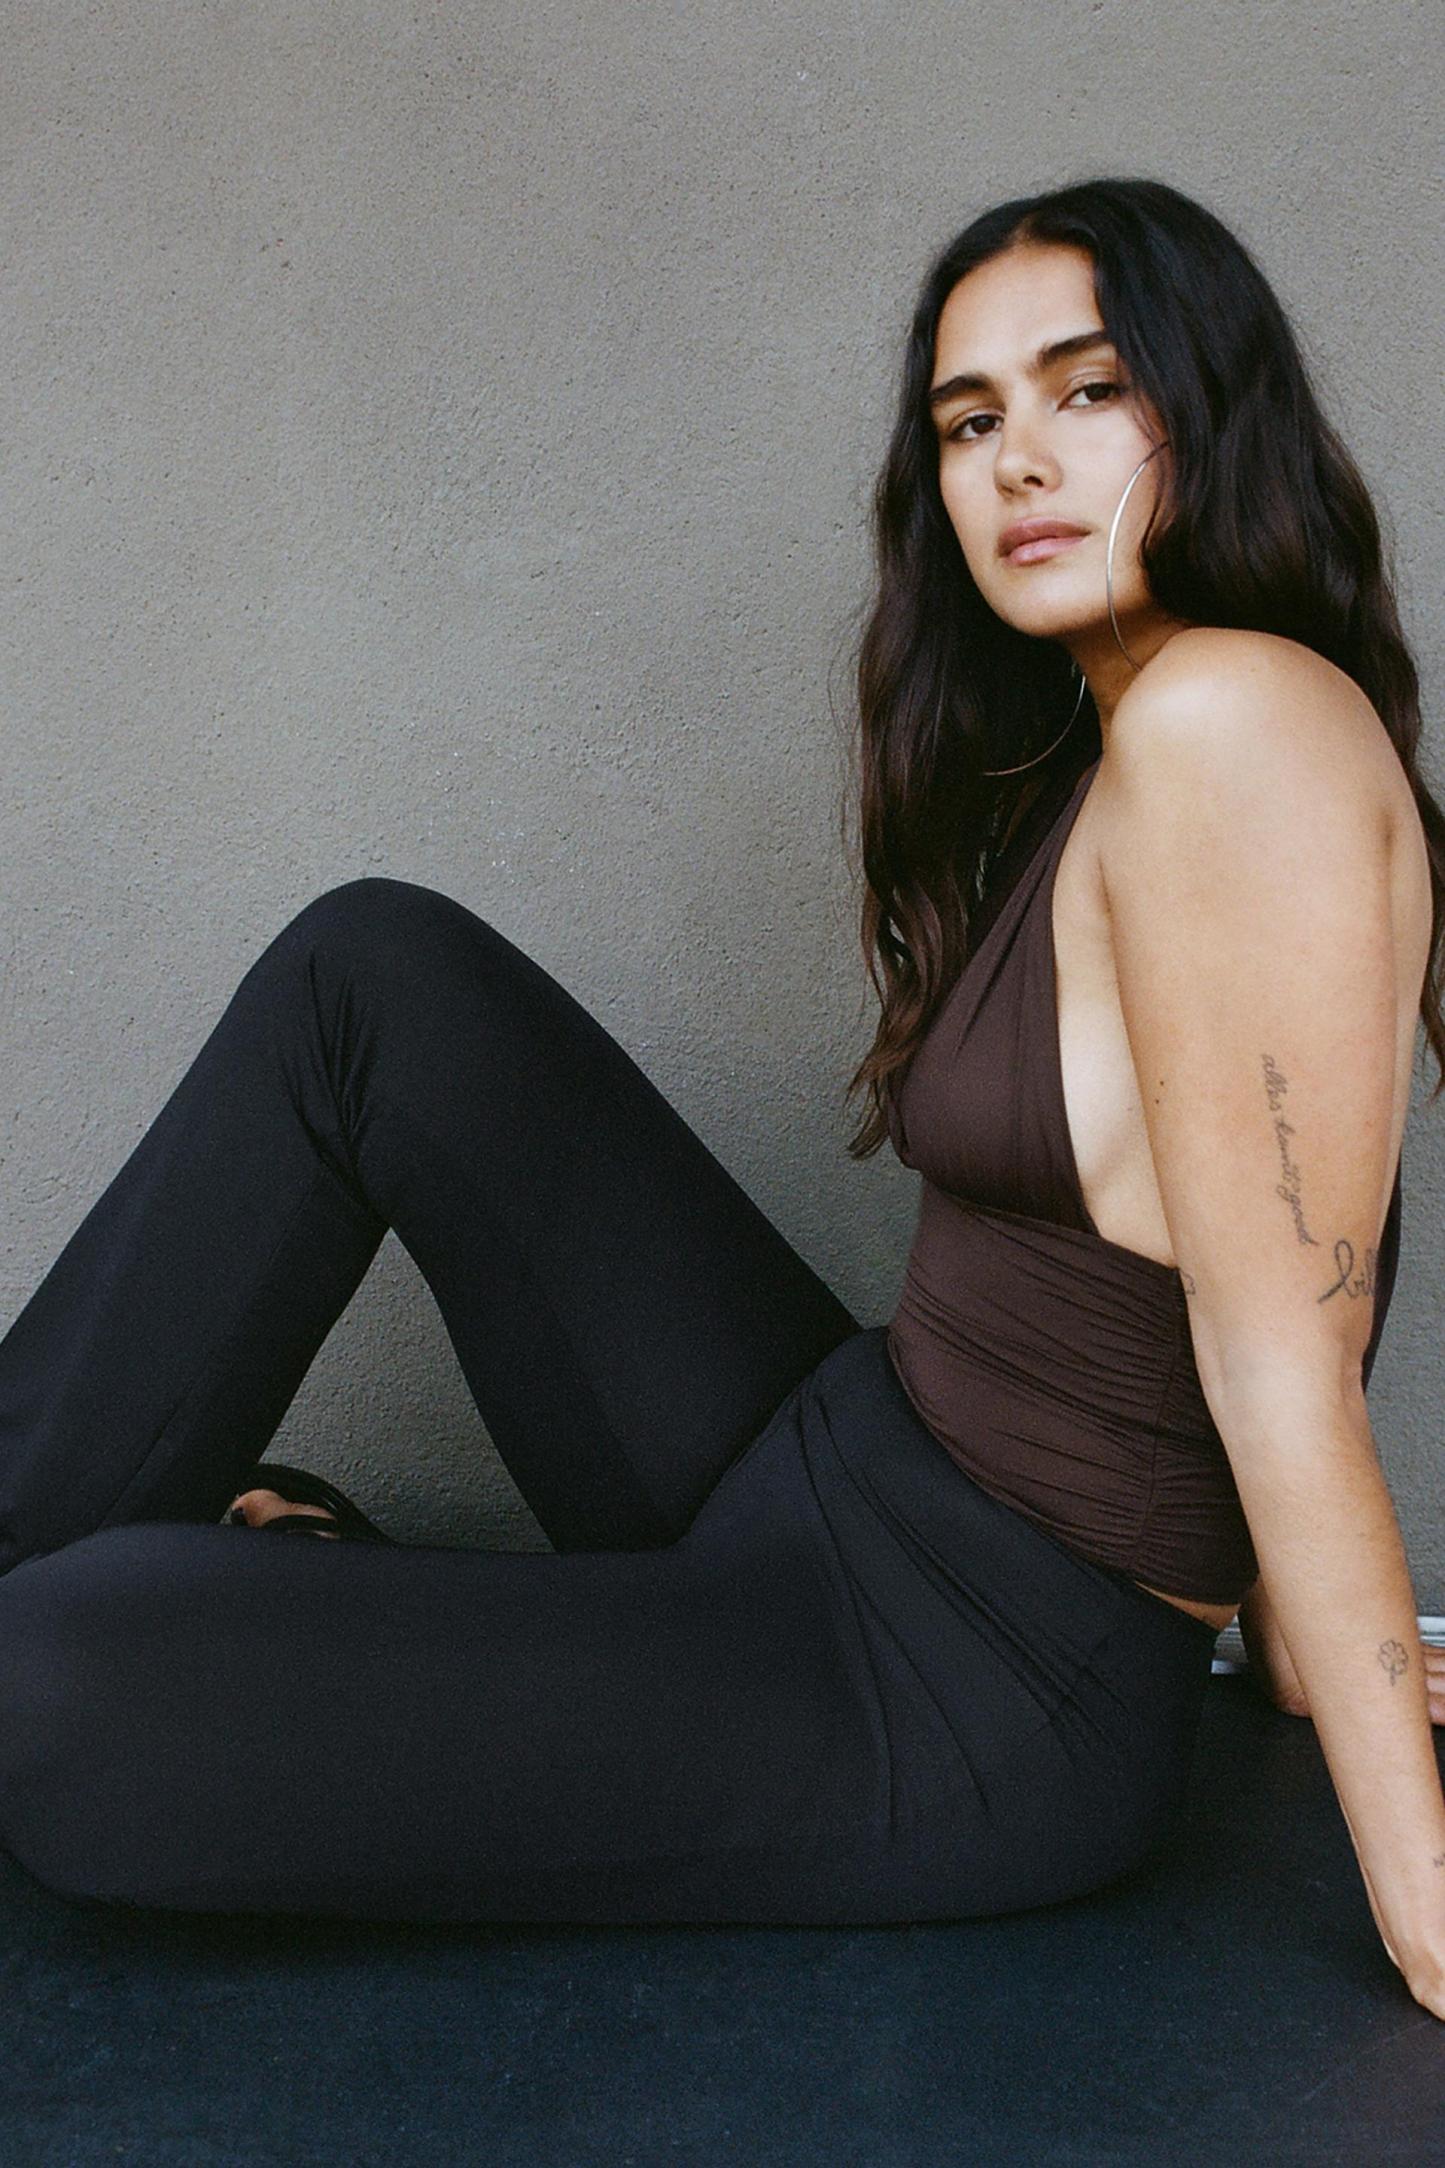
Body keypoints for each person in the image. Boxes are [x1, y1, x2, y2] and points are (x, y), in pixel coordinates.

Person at [1, 174, 1442, 2014]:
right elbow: (1274, 1203)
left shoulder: (1229, 720)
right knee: (377, 980)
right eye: (969, 421)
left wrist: (1420, 1885)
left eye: (1089, 390)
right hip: (845, 1460)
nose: (1019, 461)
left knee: (57, 1675)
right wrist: (1296, 1644)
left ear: (1213, 412)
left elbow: (1278, 1343)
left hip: (960, 1691)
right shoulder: (1133, 729)